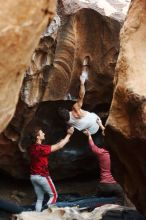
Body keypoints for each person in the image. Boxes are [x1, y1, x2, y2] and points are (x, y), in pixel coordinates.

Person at [29, 126, 74, 212]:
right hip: (42, 176)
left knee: (39, 199)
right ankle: (46, 213)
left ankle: (37, 216)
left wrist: (62, 142)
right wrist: (69, 134)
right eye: (42, 133)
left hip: (33, 177)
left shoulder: (31, 148)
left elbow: (57, 145)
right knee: (54, 196)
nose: (44, 133)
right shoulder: (41, 149)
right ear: (37, 137)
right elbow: (58, 146)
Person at [58, 56, 105, 135]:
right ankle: (103, 123)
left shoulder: (66, 121)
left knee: (85, 121)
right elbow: (81, 96)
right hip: (95, 122)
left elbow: (71, 127)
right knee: (94, 115)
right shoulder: (75, 108)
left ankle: (100, 125)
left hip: (90, 132)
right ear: (66, 110)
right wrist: (82, 83)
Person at [84, 129, 124, 205]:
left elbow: (93, 147)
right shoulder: (118, 155)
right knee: (121, 197)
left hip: (103, 185)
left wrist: (89, 136)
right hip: (115, 185)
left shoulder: (102, 153)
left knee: (95, 200)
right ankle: (118, 208)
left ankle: (94, 207)